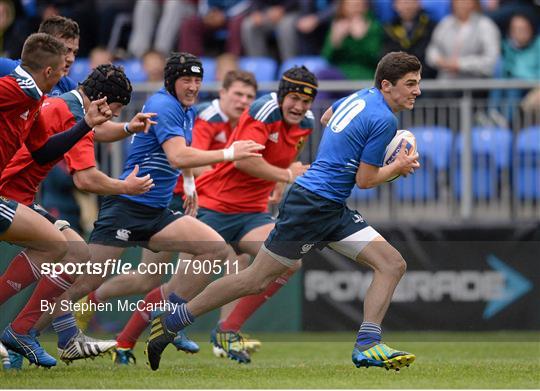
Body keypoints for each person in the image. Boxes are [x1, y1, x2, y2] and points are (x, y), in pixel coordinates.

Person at [146, 51, 422, 371]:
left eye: (418, 83)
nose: (417, 90)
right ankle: (171, 322)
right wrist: (397, 167)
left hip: (329, 206)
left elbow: (327, 116)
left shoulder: (362, 96)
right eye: (411, 84)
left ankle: (368, 345)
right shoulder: (385, 119)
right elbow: (365, 179)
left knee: (391, 264)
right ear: (387, 85)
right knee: (254, 280)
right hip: (312, 206)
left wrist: (344, 150)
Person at [39, 52, 264, 367]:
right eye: (187, 79)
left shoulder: (183, 109)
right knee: (88, 281)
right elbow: (177, 156)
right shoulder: (164, 105)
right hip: (127, 205)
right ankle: (26, 334)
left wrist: (188, 186)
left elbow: (180, 156)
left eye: (198, 80)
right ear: (172, 81)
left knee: (213, 249)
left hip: (157, 210)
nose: (193, 86)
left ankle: (169, 317)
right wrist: (229, 153)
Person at [98, 67, 316, 365]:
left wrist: (279, 179)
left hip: (252, 213)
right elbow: (224, 160)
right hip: (209, 208)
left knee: (288, 259)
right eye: (238, 94)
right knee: (171, 287)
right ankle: (123, 339)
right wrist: (285, 175)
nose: (300, 107)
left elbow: (281, 154)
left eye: (307, 101)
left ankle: (226, 329)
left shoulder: (305, 122)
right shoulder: (225, 114)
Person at [0, 33, 112, 366]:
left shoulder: (32, 99)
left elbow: (42, 150)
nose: (67, 73)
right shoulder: (19, 87)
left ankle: (22, 333)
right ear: (49, 70)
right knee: (58, 246)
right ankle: (23, 333)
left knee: (61, 246)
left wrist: (86, 125)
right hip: (9, 192)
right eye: (64, 64)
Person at [321, 0, 384, 80]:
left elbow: (373, 57)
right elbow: (327, 57)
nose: (355, 9)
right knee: (323, 75)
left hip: (364, 74)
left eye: (358, 5)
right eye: (350, 5)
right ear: (343, 7)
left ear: (365, 7)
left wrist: (360, 39)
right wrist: (336, 41)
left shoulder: (373, 26)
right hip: (339, 72)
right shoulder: (337, 25)